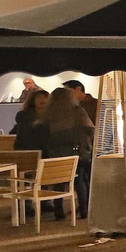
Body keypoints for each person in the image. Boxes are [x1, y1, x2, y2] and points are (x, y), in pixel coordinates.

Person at [40, 86, 95, 215]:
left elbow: (45, 134)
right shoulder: (77, 111)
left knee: (58, 182)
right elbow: (90, 129)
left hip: (57, 153)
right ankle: (84, 210)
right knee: (79, 179)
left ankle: (58, 211)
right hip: (77, 150)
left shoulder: (49, 114)